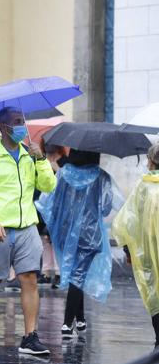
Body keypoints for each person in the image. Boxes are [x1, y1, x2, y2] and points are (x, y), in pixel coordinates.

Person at [0, 106, 56, 355]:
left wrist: (41, 160)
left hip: (27, 227)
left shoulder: (29, 154)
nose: (22, 126)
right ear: (4, 127)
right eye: (17, 122)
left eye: (23, 120)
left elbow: (48, 185)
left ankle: (30, 336)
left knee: (29, 279)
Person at [36, 149, 119, 339]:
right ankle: (66, 324)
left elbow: (49, 201)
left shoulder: (64, 173)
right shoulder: (101, 176)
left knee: (75, 273)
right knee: (78, 274)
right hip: (89, 235)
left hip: (66, 232)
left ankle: (80, 319)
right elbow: (106, 208)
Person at [112, 143, 159, 348]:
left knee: (155, 294)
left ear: (150, 161)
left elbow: (128, 221)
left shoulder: (144, 186)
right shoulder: (144, 185)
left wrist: (128, 250)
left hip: (150, 252)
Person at [37, 144, 67, 289]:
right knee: (45, 239)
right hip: (45, 205)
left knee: (57, 241)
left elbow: (67, 181)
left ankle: (59, 272)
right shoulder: (42, 160)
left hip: (60, 206)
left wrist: (56, 169)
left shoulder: (65, 162)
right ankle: (46, 272)